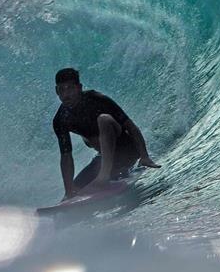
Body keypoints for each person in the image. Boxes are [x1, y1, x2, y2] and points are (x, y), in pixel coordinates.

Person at [52, 67, 160, 201]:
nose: (66, 94)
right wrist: (69, 191)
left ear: (79, 87)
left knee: (104, 119)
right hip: (104, 158)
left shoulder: (97, 99)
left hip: (127, 151)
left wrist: (144, 156)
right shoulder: (61, 119)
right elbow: (66, 156)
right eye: (62, 90)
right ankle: (106, 175)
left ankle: (104, 177)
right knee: (75, 189)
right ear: (57, 91)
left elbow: (130, 127)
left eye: (70, 88)